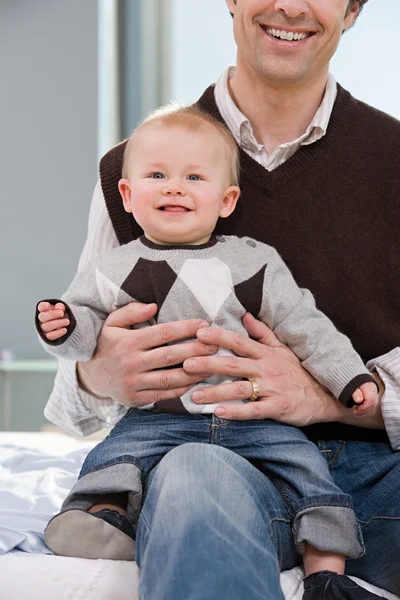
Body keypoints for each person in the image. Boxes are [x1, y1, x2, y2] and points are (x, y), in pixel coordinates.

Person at [42, 1, 400, 599]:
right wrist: (100, 371)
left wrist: (327, 399)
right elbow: (79, 383)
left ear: (354, 7)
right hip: (205, 457)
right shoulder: (131, 170)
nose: (289, 5)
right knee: (190, 478)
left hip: (380, 470)